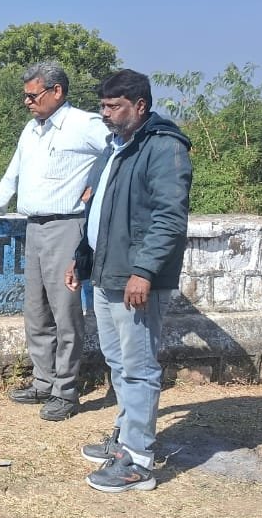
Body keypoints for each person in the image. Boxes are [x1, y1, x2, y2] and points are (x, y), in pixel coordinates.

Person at [0, 61, 109, 421]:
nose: (27, 102)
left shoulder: (83, 124)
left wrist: (96, 181)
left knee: (65, 312)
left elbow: (119, 150)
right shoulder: (31, 129)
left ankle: (65, 391)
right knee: (36, 311)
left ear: (57, 92)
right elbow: (13, 174)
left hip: (67, 226)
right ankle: (43, 381)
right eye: (25, 96)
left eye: (33, 95)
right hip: (34, 227)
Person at [66, 69, 192, 493]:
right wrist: (81, 260)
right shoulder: (115, 147)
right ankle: (125, 441)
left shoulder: (163, 146)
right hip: (107, 272)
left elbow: (169, 217)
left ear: (140, 105)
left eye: (114, 106)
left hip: (136, 277)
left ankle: (138, 461)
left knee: (138, 367)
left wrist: (144, 271)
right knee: (118, 361)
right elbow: (97, 212)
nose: (105, 113)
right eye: (102, 106)